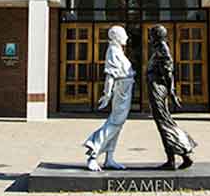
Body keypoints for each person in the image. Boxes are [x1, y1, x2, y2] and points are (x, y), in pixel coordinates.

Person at [83, 25, 135, 171]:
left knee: (118, 124)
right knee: (114, 123)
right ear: (116, 36)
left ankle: (109, 158)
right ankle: (93, 152)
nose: (126, 37)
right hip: (121, 89)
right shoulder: (112, 51)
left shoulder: (118, 50)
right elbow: (110, 75)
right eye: (124, 34)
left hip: (126, 87)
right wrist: (107, 94)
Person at [146, 24, 196, 170]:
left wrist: (172, 91)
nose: (150, 38)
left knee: (164, 124)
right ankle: (178, 157)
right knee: (164, 122)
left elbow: (168, 71)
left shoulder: (162, 48)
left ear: (157, 36)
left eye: (151, 35)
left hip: (158, 88)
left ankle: (179, 156)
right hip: (155, 86)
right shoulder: (159, 48)